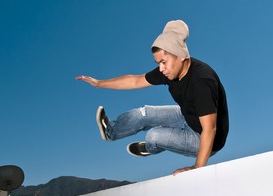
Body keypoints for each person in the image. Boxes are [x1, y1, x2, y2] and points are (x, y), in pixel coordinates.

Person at [76, 20, 229, 175]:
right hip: (188, 115)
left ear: (180, 55)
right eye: (158, 63)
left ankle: (151, 145)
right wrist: (99, 83)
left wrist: (197, 168)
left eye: (163, 62)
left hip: (205, 136)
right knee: (142, 114)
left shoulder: (202, 81)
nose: (161, 69)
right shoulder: (170, 69)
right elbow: (135, 80)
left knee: (154, 135)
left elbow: (210, 129)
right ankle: (111, 131)